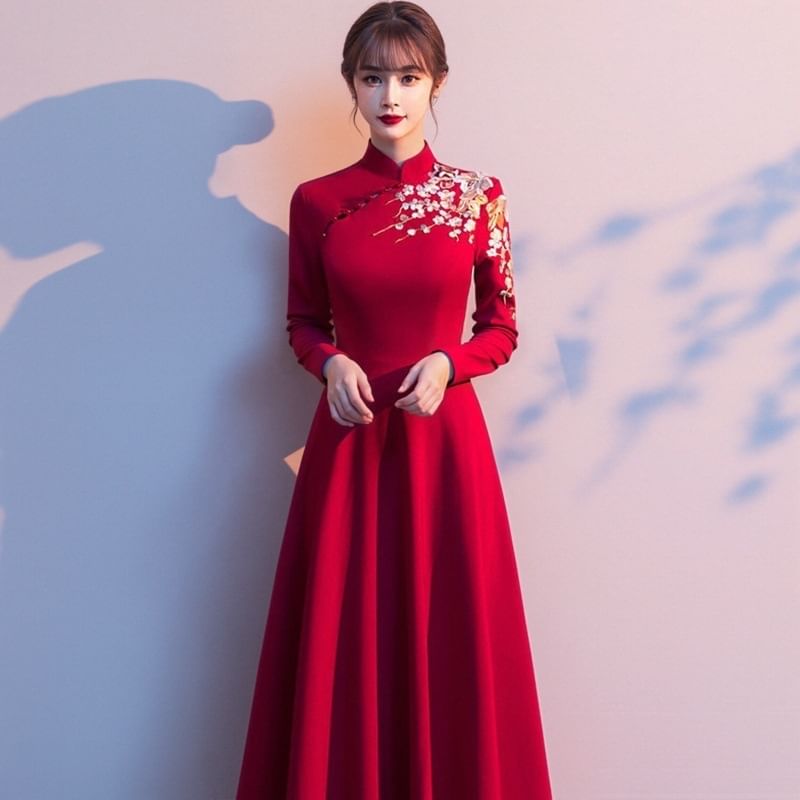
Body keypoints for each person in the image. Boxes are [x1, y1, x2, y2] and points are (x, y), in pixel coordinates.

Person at [235, 2, 553, 798]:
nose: (390, 96)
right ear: (351, 83)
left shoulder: (478, 197)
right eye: (373, 77)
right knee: (346, 638)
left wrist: (450, 361)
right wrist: (330, 363)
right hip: (349, 448)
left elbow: (502, 328)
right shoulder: (317, 201)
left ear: (438, 82)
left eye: (408, 77)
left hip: (446, 451)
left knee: (451, 635)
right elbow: (303, 322)